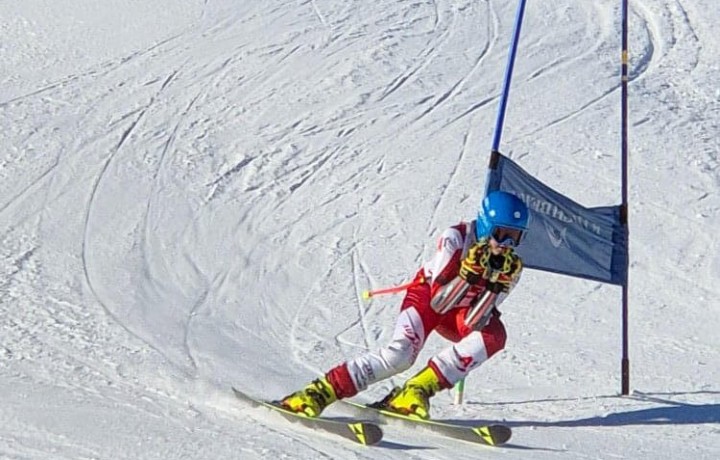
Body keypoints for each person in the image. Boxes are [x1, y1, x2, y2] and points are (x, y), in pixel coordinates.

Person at [279, 190, 530, 419]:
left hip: (462, 314)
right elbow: (438, 302)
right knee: (399, 356)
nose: (506, 245)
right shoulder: (456, 238)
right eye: (501, 234)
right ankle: (320, 391)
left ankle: (416, 390)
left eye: (514, 237)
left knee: (494, 335)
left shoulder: (512, 268)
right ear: (486, 224)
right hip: (429, 300)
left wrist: (496, 286)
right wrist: (468, 275)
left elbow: (474, 322)